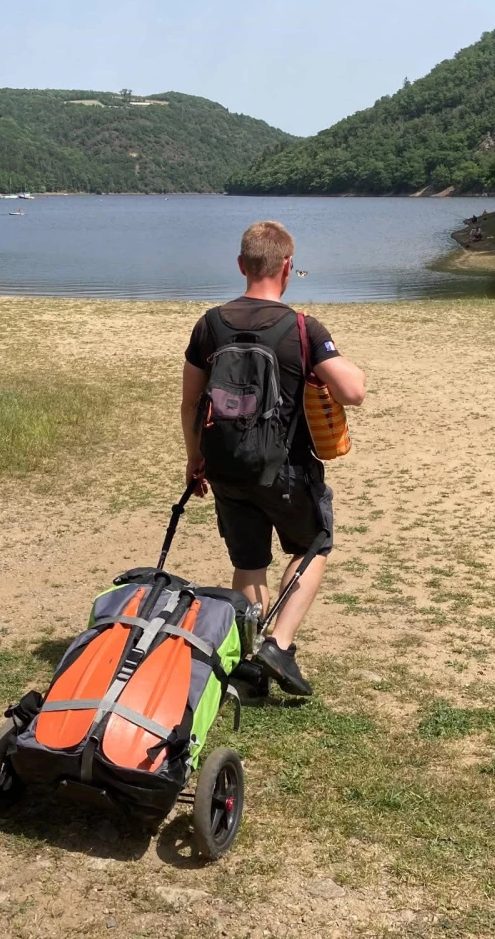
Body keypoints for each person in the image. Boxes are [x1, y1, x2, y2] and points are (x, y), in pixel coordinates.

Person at [181, 221, 366, 696]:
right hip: (284, 469)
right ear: (287, 266)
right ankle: (278, 645)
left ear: (241, 265)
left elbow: (190, 402)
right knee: (313, 545)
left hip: (225, 466)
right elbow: (353, 392)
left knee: (249, 562)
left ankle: (248, 666)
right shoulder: (302, 328)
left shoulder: (210, 324)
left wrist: (194, 460)